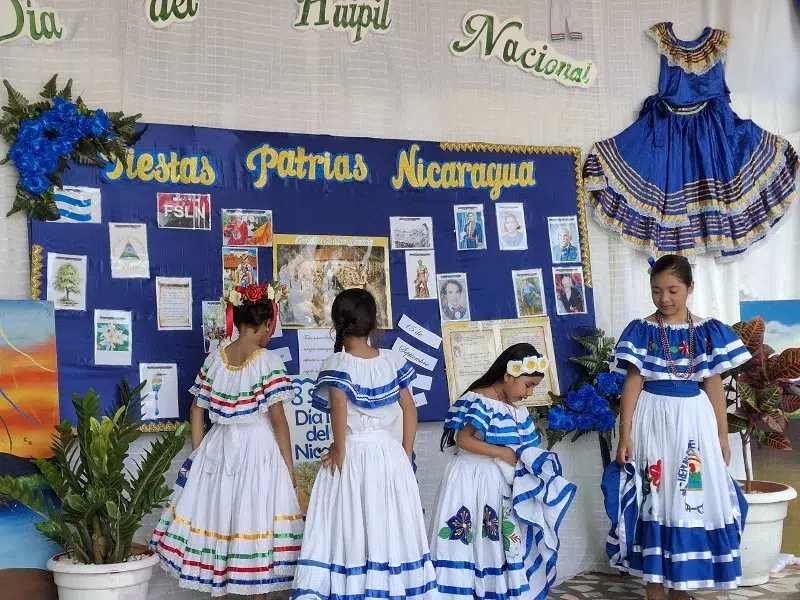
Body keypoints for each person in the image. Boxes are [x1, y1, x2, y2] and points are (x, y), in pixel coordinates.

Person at [602, 255, 751, 599]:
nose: (664, 299)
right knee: (655, 496)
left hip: (694, 422)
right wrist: (625, 435)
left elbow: (712, 385)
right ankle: (654, 583)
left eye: (673, 290)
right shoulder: (642, 330)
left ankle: (681, 587)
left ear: (690, 288)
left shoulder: (707, 330)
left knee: (689, 493)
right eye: (656, 291)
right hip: (652, 421)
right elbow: (633, 384)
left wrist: (721, 436)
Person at [151, 281, 302, 598]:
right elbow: (278, 420)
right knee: (255, 524)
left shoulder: (214, 360)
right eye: (269, 327)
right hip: (257, 449)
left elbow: (196, 410)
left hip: (217, 448)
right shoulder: (268, 361)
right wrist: (289, 468)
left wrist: (200, 451)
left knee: (221, 523)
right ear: (263, 324)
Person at [292, 289, 437, 600]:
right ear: (374, 325)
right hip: (388, 454)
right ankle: (388, 588)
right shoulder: (393, 360)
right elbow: (410, 409)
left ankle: (355, 589)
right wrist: (405, 451)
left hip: (354, 452)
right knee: (387, 522)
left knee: (350, 524)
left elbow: (340, 408)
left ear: (336, 323)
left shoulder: (337, 362)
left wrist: (339, 449)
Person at [429, 343, 576, 600]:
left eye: (534, 387)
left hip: (496, 481)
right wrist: (503, 453)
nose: (529, 393)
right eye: (527, 385)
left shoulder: (515, 408)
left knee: (495, 538)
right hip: (472, 479)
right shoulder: (480, 399)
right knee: (471, 535)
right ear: (508, 376)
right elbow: (464, 440)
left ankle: (495, 591)